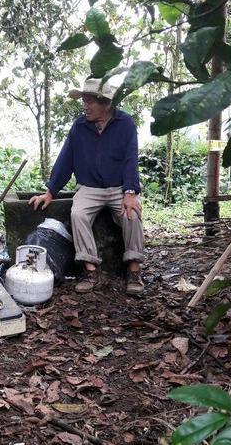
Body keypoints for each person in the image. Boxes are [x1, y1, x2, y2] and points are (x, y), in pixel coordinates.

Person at [28, 77, 145, 295]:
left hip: (119, 187)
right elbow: (66, 159)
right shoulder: (80, 127)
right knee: (78, 214)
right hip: (89, 187)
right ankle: (91, 271)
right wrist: (50, 191)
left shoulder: (125, 124)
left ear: (105, 104)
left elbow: (131, 159)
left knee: (132, 214)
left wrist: (130, 192)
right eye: (84, 101)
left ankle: (134, 271)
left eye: (90, 101)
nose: (85, 106)